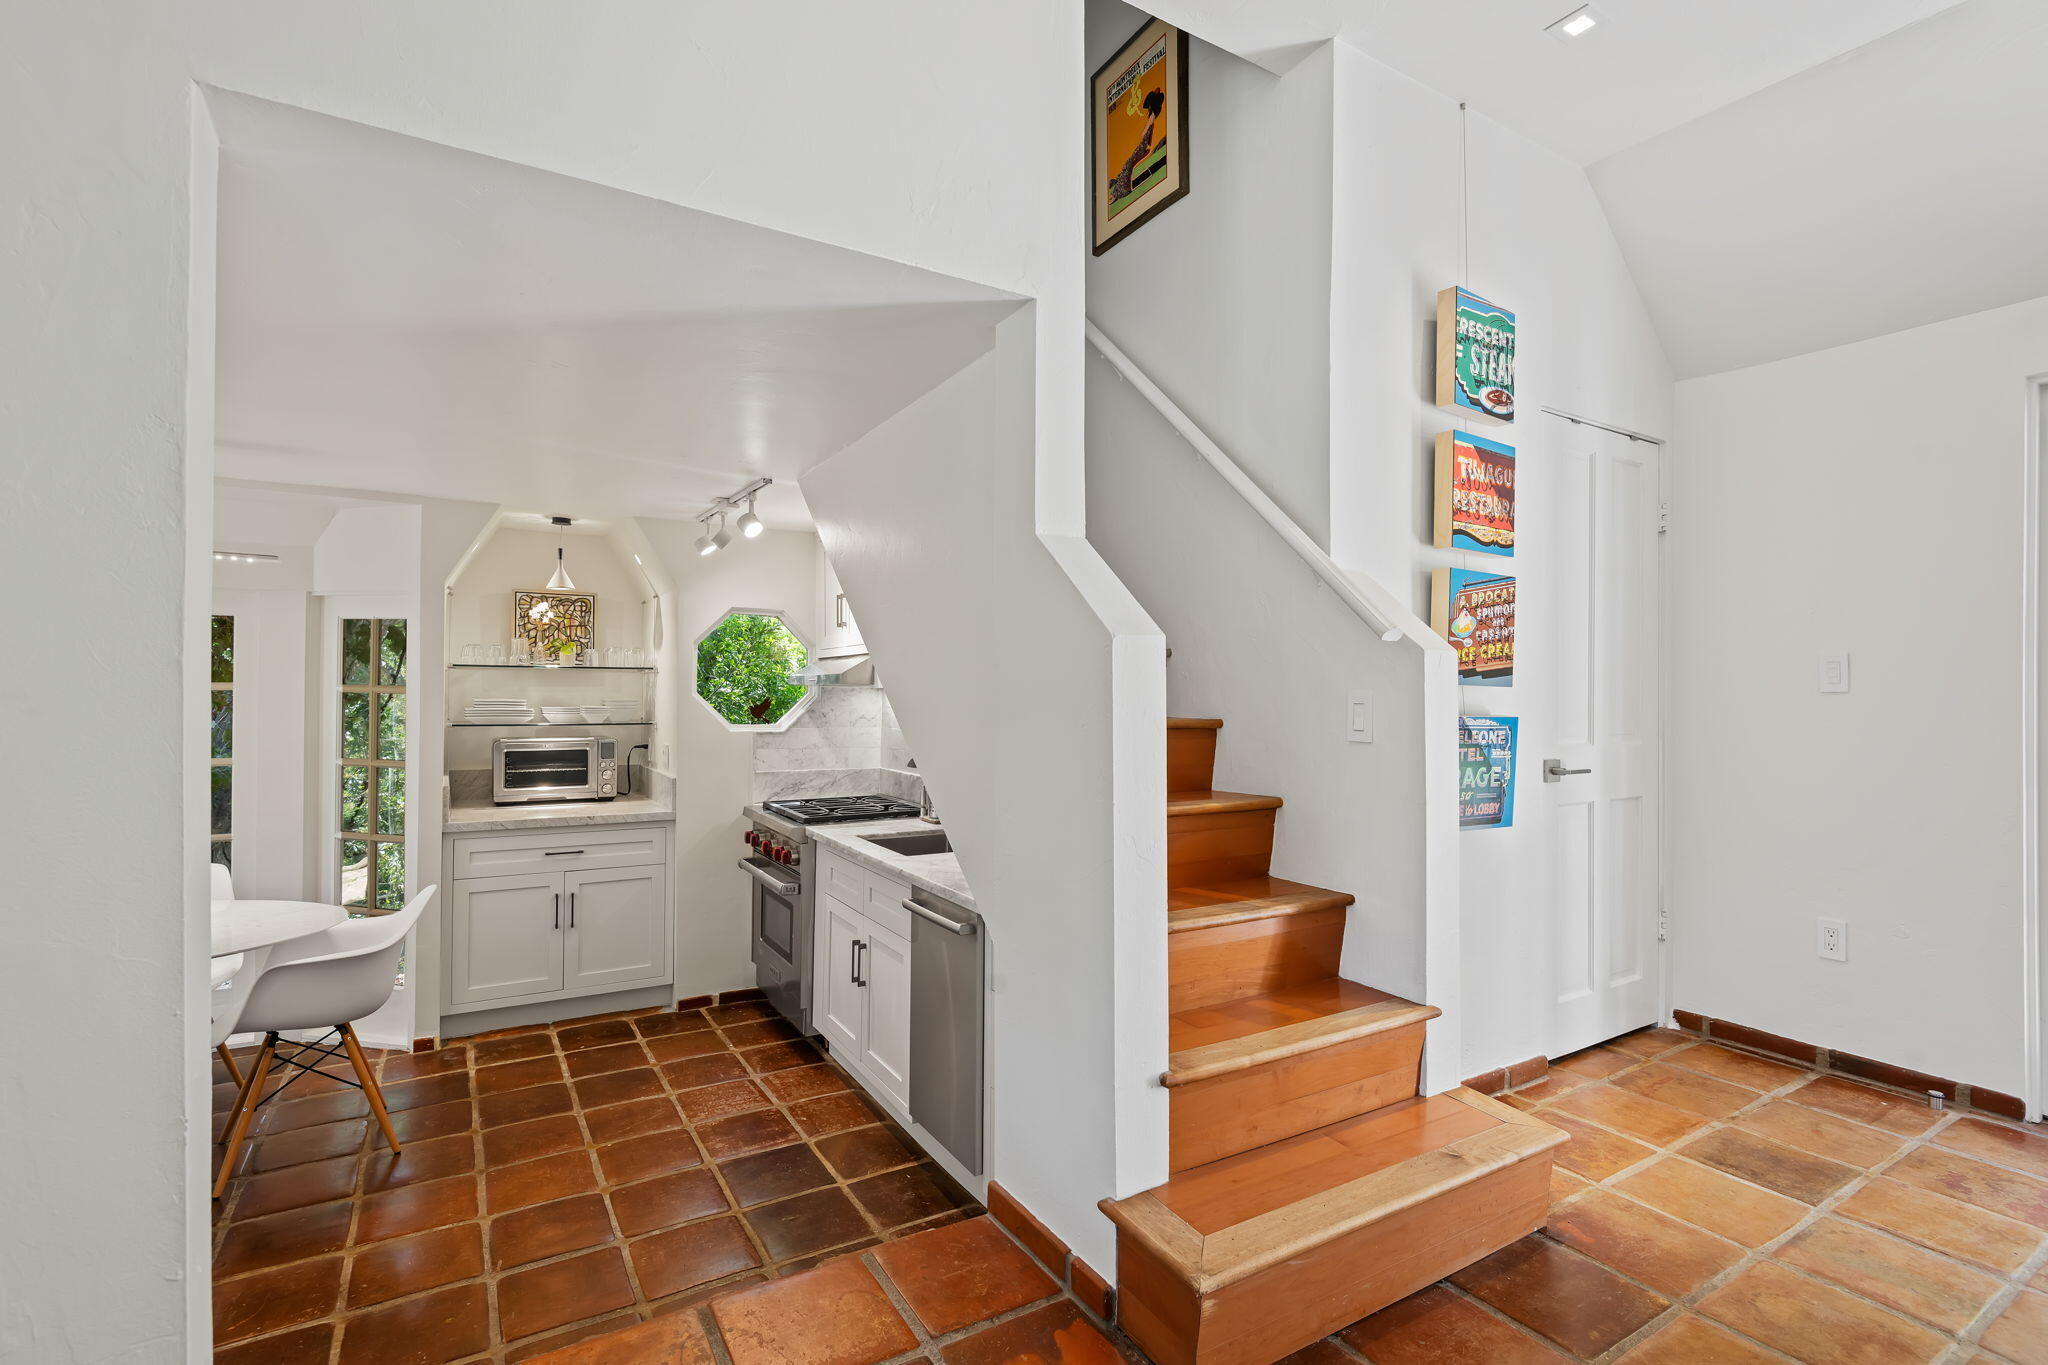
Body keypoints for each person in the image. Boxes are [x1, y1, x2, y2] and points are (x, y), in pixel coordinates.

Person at [1109, 86, 1167, 202]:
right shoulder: (1120, 191)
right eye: (1110, 199)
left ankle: (1152, 109)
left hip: (1139, 152)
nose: (1109, 198)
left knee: (1146, 132)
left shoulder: (1117, 190)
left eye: (1109, 198)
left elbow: (1125, 174)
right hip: (1137, 158)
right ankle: (1153, 109)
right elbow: (1125, 180)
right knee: (1146, 132)